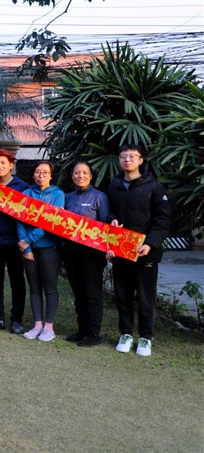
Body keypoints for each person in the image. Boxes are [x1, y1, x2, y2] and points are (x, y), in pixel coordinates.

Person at [107, 144, 171, 357]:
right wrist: (111, 220)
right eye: (123, 156)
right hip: (121, 251)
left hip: (145, 252)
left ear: (141, 160)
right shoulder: (114, 187)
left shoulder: (154, 187)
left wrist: (150, 243)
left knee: (146, 297)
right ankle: (125, 334)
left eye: (132, 156)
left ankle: (145, 337)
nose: (127, 160)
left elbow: (162, 220)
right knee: (122, 295)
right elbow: (109, 214)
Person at [62, 161, 109, 347]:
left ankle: (93, 333)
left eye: (84, 172)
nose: (80, 176)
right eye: (77, 173)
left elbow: (105, 226)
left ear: (91, 176)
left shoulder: (100, 197)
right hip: (70, 252)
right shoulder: (68, 197)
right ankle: (82, 329)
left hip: (92, 255)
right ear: (72, 176)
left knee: (92, 293)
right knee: (79, 293)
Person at [0, 149, 29, 335]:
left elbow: (26, 215)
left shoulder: (22, 187)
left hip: (14, 242)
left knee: (17, 281)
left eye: (3, 163)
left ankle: (16, 320)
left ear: (11, 165)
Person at [17, 161, 65, 342]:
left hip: (49, 248)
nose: (41, 175)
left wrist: (28, 240)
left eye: (45, 172)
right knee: (34, 287)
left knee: (50, 287)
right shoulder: (26, 194)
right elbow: (19, 221)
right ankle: (37, 325)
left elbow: (50, 221)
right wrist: (26, 247)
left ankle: (49, 327)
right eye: (38, 172)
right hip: (28, 250)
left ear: (51, 175)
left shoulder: (58, 195)